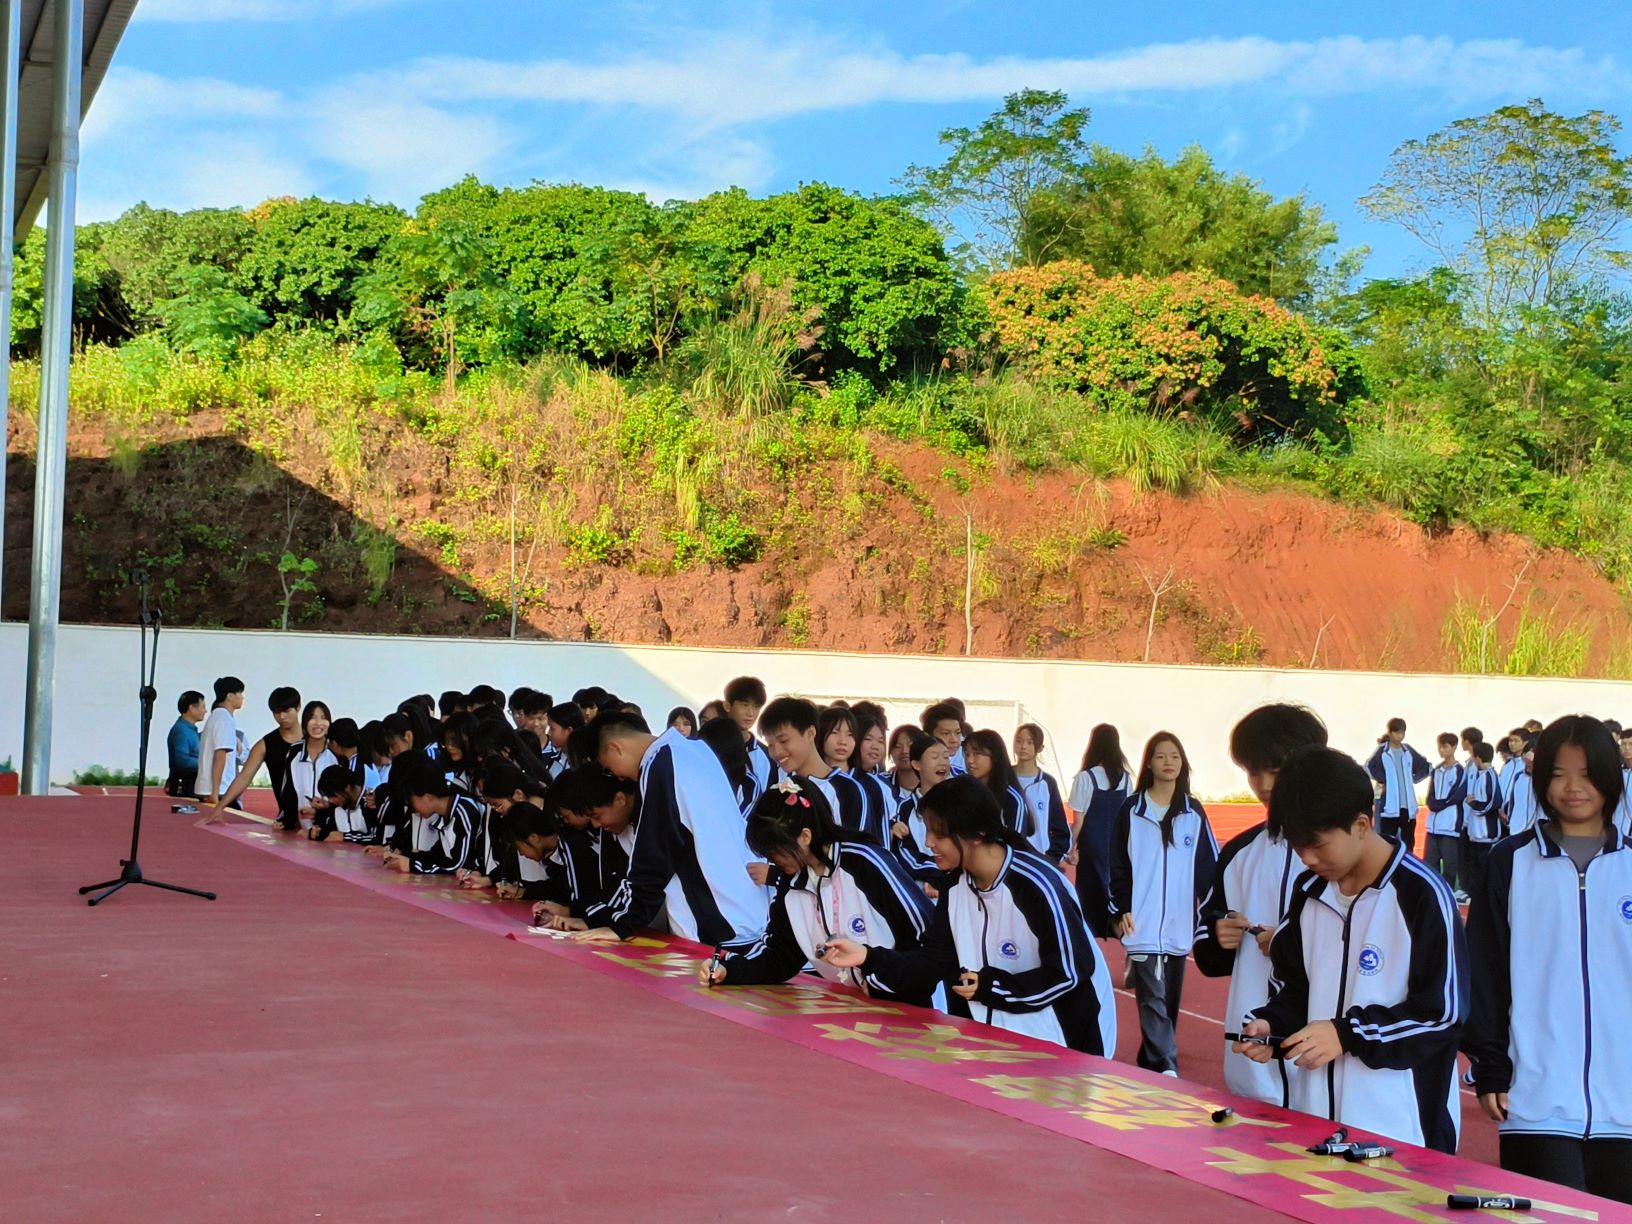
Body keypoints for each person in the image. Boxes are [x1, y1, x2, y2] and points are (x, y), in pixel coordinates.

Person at [1236, 746, 1468, 1155]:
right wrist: (1273, 1025)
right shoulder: (1309, 893)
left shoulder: (1421, 895)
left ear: (1361, 824)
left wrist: (1349, 1034)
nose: (1307, 858)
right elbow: (1296, 989)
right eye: (1297, 846)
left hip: (1402, 1133)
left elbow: (1442, 1015)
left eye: (1317, 844)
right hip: (1314, 1127)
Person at [823, 775, 1115, 1055]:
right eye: (927, 830)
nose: (928, 842)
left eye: (939, 833)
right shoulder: (955, 887)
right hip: (993, 1045)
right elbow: (930, 964)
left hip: (1061, 1044)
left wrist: (992, 986)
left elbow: (1070, 971)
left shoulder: (1038, 884)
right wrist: (867, 957)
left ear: (977, 833)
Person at [1465, 714, 1632, 1203]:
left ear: (1611, 778)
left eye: (1587, 774)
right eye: (1559, 774)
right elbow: (1485, 971)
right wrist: (1491, 1065)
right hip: (1535, 1098)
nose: (1573, 787)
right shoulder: (1509, 862)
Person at [1195, 703, 1327, 1104]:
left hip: (1324, 1063)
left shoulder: (1343, 853)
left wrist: (1287, 942)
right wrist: (1219, 934)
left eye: (1275, 770)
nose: (1265, 784)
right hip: (1251, 1059)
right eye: (1253, 772)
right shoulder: (1239, 852)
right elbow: (1207, 950)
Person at [702, 777, 934, 1003]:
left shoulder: (864, 863)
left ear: (805, 836)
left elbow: (926, 941)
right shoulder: (791, 883)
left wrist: (885, 981)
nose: (773, 860)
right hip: (849, 1008)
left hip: (902, 1008)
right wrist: (728, 970)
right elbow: (779, 956)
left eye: (777, 851)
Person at [570, 709, 769, 946]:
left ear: (615, 748)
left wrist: (622, 925)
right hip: (748, 908)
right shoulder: (695, 749)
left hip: (716, 925)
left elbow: (654, 853)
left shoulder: (659, 763)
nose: (618, 777)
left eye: (610, 769)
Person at [1108, 731, 1217, 1075]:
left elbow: (1208, 867)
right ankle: (1166, 1064)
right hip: (1141, 921)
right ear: (1149, 763)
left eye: (1174, 756)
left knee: (1167, 1001)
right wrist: (1119, 909)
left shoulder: (1193, 812)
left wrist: (1212, 913)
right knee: (1152, 997)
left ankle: (1151, 1056)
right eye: (1160, 756)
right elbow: (1117, 866)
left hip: (1178, 923)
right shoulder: (1131, 810)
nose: (1168, 762)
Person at [759, 697, 870, 839]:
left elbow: (859, 848)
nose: (776, 751)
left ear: (810, 734)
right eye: (770, 744)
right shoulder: (778, 789)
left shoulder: (848, 790)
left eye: (783, 740)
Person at [1067, 723, 1132, 938]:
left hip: (1092, 848)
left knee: (1089, 896)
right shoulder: (1126, 779)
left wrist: (1068, 849)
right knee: (1115, 893)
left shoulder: (1086, 777)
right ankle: (1122, 935)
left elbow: (1078, 821)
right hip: (1118, 847)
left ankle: (1088, 939)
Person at [383, 757, 481, 875]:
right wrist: (409, 857)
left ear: (427, 797)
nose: (413, 809)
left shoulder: (464, 810)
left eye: (412, 802)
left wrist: (413, 865)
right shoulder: (444, 815)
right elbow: (440, 855)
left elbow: (459, 864)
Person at [891, 733, 951, 884]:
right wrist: (936, 873)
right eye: (934, 757)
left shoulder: (962, 800)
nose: (942, 762)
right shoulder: (906, 809)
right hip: (922, 888)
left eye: (946, 757)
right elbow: (905, 853)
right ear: (916, 765)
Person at [1366, 718, 1430, 851]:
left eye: (1402, 732)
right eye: (1397, 732)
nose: (1400, 736)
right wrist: (1385, 779)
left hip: (1408, 809)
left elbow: (1426, 766)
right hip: (1389, 809)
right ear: (1390, 733)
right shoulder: (1383, 751)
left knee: (1408, 847)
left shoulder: (1408, 751)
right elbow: (1369, 767)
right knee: (1387, 847)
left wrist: (1414, 778)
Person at [1011, 723, 1070, 863]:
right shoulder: (1003, 778)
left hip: (1038, 858)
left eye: (1030, 742)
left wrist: (1051, 857)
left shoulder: (1047, 783)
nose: (1023, 746)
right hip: (1008, 858)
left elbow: (1060, 827)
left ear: (1040, 748)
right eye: (1019, 741)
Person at [1422, 732, 1468, 899]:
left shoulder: (1460, 771)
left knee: (1449, 865)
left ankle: (1447, 895)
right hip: (1433, 826)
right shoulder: (1437, 771)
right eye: (1440, 747)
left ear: (1454, 747)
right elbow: (1430, 795)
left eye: (1445, 747)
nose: (1442, 750)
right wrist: (1432, 803)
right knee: (1430, 863)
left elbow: (1458, 795)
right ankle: (1431, 894)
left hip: (1450, 825)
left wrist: (1441, 804)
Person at [962, 729, 1027, 839]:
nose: (969, 760)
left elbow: (1016, 843)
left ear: (995, 757)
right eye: (967, 754)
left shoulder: (1012, 799)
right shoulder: (964, 791)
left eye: (976, 754)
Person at [195, 677, 245, 814]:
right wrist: (215, 793)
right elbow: (220, 755)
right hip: (220, 791)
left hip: (212, 789)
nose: (242, 697)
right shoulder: (224, 719)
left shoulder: (217, 716)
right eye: (240, 693)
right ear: (230, 696)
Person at [1460, 742, 1503, 900]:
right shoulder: (1481, 775)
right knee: (1475, 866)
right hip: (1476, 833)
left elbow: (1494, 802)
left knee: (1485, 867)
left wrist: (1474, 804)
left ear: (1478, 758)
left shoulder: (1490, 775)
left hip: (1487, 833)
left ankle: (1486, 897)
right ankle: (1475, 895)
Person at [286, 701, 337, 831]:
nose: (318, 723)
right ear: (305, 722)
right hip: (302, 830)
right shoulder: (295, 751)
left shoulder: (336, 751)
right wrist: (286, 820)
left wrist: (325, 810)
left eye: (323, 718)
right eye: (313, 718)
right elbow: (287, 789)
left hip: (332, 830)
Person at [724, 676, 777, 797]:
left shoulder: (767, 756)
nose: (751, 713)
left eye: (756, 706)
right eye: (745, 705)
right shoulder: (709, 746)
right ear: (727, 706)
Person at [165, 691, 205, 798]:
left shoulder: (189, 730)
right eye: (203, 707)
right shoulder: (181, 730)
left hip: (190, 785)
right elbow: (182, 761)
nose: (205, 711)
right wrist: (207, 763)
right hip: (185, 787)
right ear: (191, 708)